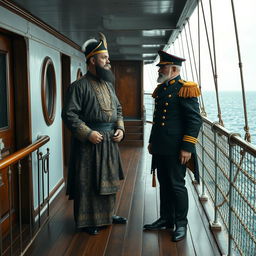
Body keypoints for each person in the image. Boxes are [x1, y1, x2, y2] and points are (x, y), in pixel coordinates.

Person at [62, 32, 127, 235]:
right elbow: (69, 115)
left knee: (108, 180)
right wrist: (88, 133)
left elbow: (118, 109)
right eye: (104, 58)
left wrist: (121, 128)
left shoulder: (108, 85)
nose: (108, 61)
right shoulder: (77, 87)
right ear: (92, 60)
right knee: (88, 182)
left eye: (107, 58)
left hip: (109, 141)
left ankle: (108, 215)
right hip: (89, 143)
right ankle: (88, 221)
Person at [143, 50, 202, 242]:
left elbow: (194, 121)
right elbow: (157, 118)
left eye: (163, 67)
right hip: (161, 146)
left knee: (177, 185)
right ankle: (166, 219)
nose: (159, 70)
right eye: (160, 67)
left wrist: (187, 148)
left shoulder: (186, 88)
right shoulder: (162, 89)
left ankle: (181, 223)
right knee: (164, 183)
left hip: (177, 148)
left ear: (174, 69)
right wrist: (152, 141)